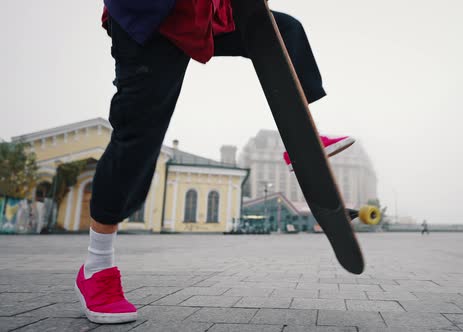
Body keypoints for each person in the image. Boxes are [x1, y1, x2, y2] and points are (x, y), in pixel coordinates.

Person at [75, 0, 355, 324]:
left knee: (280, 30)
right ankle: (97, 266)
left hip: (203, 12)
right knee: (137, 138)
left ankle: (303, 137)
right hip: (148, 17)